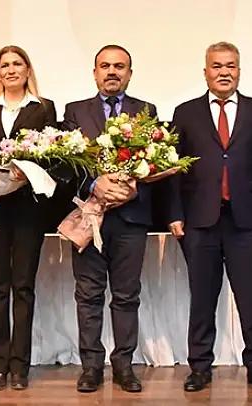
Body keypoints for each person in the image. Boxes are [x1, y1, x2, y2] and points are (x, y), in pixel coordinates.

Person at [167, 41, 252, 394]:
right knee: (202, 299)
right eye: (217, 66)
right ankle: (200, 367)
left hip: (246, 221)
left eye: (230, 66)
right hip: (199, 221)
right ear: (205, 72)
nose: (224, 72)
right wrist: (174, 213)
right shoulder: (185, 113)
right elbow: (173, 170)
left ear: (239, 71)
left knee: (250, 298)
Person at [61, 44, 156, 393]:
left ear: (129, 74)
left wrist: (131, 188)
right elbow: (67, 164)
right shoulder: (75, 111)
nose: (112, 71)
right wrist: (95, 184)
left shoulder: (146, 111)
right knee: (88, 295)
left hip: (130, 218)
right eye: (105, 66)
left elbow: (154, 162)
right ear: (95, 73)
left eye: (119, 66)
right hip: (90, 215)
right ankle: (91, 367)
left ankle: (124, 366)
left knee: (127, 295)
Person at [0, 45, 58, 391]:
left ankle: (20, 366)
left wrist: (29, 171)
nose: (11, 70)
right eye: (4, 65)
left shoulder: (43, 107)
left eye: (17, 64)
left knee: (23, 287)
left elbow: (53, 153)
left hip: (28, 208)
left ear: (27, 69)